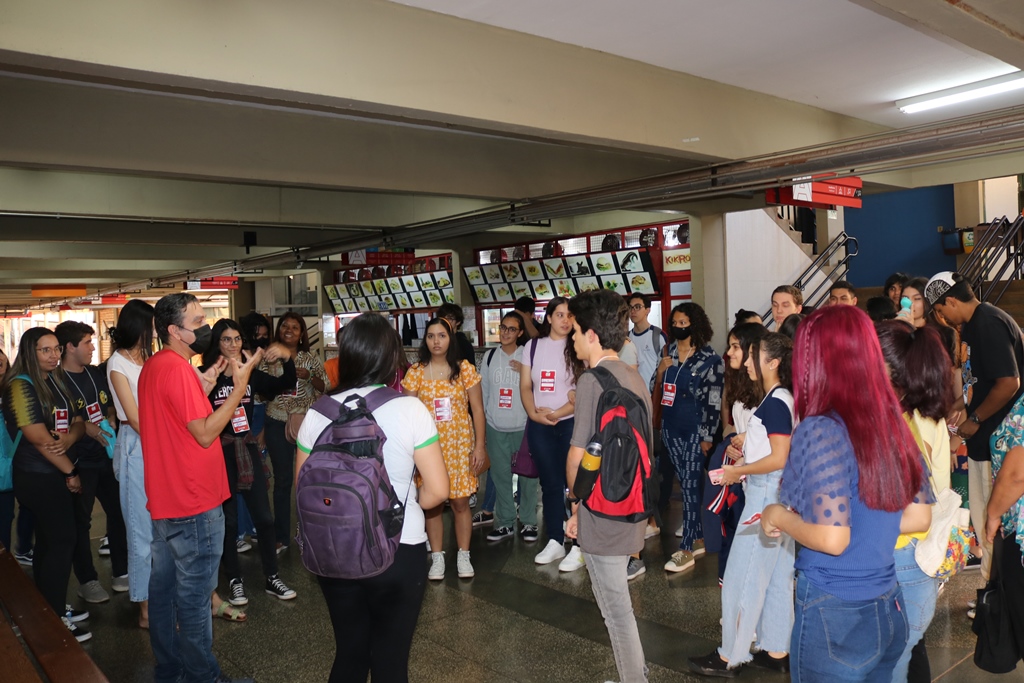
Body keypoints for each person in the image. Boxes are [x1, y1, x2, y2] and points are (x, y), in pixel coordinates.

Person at [760, 306, 932, 682]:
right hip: (888, 604)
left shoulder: (821, 429)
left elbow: (832, 539)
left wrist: (778, 516)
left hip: (834, 610)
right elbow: (919, 515)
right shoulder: (892, 420)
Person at [296, 313, 448, 683]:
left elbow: (301, 486)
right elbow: (438, 491)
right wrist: (407, 499)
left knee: (350, 652)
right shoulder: (410, 409)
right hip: (398, 547)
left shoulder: (318, 413)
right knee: (390, 660)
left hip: (332, 549)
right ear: (391, 358)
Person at [139, 292, 262, 683]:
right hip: (193, 500)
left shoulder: (157, 365)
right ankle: (203, 676)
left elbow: (179, 420)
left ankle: (170, 669)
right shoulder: (176, 370)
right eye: (197, 322)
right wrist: (239, 387)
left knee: (163, 592)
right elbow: (206, 433)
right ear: (175, 331)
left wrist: (204, 389)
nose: (206, 327)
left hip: (167, 498)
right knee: (194, 598)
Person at [691, 332, 796, 677]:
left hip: (764, 498)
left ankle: (729, 656)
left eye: (754, 356)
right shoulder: (782, 397)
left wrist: (738, 471)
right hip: (777, 495)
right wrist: (746, 455)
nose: (748, 363)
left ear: (773, 362)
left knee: (742, 576)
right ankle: (777, 649)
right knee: (777, 576)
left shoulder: (776, 401)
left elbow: (779, 457)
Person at [564, 289, 653, 683]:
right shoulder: (634, 375)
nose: (572, 339)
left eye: (575, 331)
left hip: (600, 509)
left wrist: (575, 505)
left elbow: (577, 455)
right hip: (632, 503)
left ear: (592, 335)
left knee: (615, 611)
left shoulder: (591, 381)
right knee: (620, 606)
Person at [927, 270, 1024, 585]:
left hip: (1001, 440)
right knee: (985, 518)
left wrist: (975, 419)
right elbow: (979, 382)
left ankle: (994, 592)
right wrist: (958, 405)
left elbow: (1009, 383)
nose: (942, 318)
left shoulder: (988, 324)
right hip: (987, 438)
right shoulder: (974, 324)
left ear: (952, 302)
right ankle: (991, 590)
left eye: (940, 310)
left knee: (992, 521)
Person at [201, 318, 297, 608]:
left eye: (237, 339)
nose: (233, 345)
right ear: (216, 343)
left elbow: (285, 383)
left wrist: (287, 357)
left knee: (264, 518)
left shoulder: (249, 373)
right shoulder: (206, 376)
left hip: (247, 448)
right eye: (226, 339)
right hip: (220, 453)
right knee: (228, 521)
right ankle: (234, 579)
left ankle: (272, 576)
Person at [876, 321, 953, 683]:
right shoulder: (901, 418)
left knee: (890, 668)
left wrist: (846, 527)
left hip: (901, 562)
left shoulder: (897, 429)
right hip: (907, 561)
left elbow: (918, 517)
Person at [3, 327, 91, 641]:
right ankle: (53, 619)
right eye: (45, 350)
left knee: (50, 542)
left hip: (54, 471)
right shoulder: (19, 385)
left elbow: (80, 423)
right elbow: (39, 437)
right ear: (30, 351)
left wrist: (69, 438)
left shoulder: (55, 379)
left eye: (56, 349)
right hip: (38, 477)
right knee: (62, 541)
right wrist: (70, 471)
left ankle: (48, 607)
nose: (54, 355)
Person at [402, 317, 487, 579]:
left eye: (442, 335)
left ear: (451, 339)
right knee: (433, 504)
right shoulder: (416, 372)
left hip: (460, 445)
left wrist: (480, 446)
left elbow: (478, 410)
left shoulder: (464, 369)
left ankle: (464, 554)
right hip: (428, 448)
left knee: (461, 502)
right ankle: (437, 557)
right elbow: (407, 414)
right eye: (431, 336)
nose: (436, 341)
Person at [55, 321, 129, 603]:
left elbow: (107, 404)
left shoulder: (96, 373)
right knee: (81, 522)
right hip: (80, 461)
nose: (93, 347)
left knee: (119, 513)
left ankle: (122, 571)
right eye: (87, 342)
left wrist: (109, 418)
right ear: (70, 347)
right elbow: (58, 421)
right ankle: (87, 580)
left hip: (105, 457)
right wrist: (86, 427)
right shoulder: (56, 381)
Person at [656, 302, 723, 572]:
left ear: (695, 325)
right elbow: (656, 387)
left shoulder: (710, 359)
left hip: (695, 428)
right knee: (686, 482)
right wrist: (660, 372)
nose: (678, 327)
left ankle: (686, 548)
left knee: (691, 483)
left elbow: (713, 401)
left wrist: (708, 436)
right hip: (670, 427)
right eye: (675, 323)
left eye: (683, 323)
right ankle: (698, 537)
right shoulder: (668, 352)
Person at [520, 297, 583, 569]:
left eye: (569, 315)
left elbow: (583, 391)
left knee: (576, 485)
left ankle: (579, 544)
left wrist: (557, 413)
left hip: (570, 422)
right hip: (540, 425)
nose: (565, 320)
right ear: (548, 318)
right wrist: (534, 414)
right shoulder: (533, 346)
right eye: (559, 314)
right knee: (550, 484)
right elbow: (525, 386)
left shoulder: (578, 344)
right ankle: (556, 539)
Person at [707, 322, 768, 584]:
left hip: (762, 484)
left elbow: (775, 443)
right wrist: (735, 444)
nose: (729, 352)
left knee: (756, 553)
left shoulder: (771, 393)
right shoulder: (741, 388)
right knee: (734, 537)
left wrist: (747, 445)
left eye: (735, 347)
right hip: (744, 480)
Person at [107, 299, 155, 628]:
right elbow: (134, 417)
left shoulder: (149, 358)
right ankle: (145, 608)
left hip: (157, 442)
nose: (154, 332)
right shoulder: (117, 363)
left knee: (160, 529)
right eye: (150, 326)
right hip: (136, 443)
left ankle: (158, 599)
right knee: (140, 530)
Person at [263, 312, 327, 554]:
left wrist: (309, 376)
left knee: (309, 479)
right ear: (278, 329)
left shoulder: (310, 358)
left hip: (306, 424)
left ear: (302, 334)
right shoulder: (268, 357)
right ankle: (281, 536)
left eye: (295, 327)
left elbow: (326, 385)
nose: (289, 330)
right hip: (276, 422)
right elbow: (260, 391)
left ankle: (313, 533)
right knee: (282, 481)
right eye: (285, 326)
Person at [479, 312, 539, 543]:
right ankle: (505, 522)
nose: (505, 332)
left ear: (520, 332)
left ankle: (529, 521)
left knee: (528, 476)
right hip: (496, 426)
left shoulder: (528, 354)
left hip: (523, 426)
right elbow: (484, 392)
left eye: (511, 329)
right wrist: (483, 427)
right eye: (503, 327)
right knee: (500, 476)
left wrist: (526, 371)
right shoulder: (490, 357)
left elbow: (539, 387)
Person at [627, 293, 668, 391]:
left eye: (637, 307)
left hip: (652, 393)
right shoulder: (626, 338)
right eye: (630, 307)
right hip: (632, 394)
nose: (633, 311)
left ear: (647, 310)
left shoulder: (658, 336)